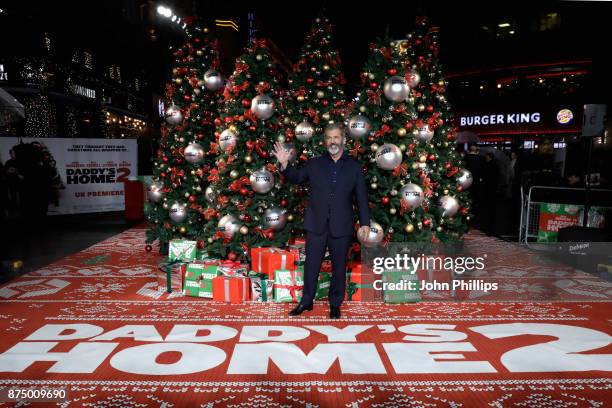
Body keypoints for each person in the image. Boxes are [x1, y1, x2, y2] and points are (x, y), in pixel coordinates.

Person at [272, 123, 371, 319]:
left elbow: (361, 197)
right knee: (312, 264)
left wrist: (365, 222)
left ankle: (335, 304)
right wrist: (284, 165)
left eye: (336, 137)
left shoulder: (354, 167)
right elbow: (297, 177)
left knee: (339, 266)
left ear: (343, 139)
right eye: (329, 137)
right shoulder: (314, 163)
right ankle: (306, 301)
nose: (332, 141)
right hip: (316, 223)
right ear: (325, 141)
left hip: (342, 224)